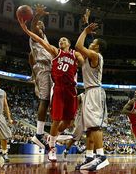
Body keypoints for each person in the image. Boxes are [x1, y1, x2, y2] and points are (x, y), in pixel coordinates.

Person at [18, 16, 84, 162]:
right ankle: (52, 147)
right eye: (60, 40)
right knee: (56, 119)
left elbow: (82, 60)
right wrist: (27, 30)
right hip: (59, 88)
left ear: (69, 43)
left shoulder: (75, 54)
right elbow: (40, 41)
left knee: (68, 122)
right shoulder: (55, 51)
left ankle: (51, 136)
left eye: (64, 40)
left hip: (72, 90)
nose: (61, 41)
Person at [74, 23, 109, 171]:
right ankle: (89, 157)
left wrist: (85, 31)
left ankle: (101, 156)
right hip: (88, 92)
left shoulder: (96, 55)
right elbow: (79, 53)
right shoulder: (88, 58)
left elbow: (78, 46)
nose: (91, 43)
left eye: (93, 43)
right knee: (88, 128)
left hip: (95, 92)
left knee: (95, 126)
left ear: (97, 47)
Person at [28, 4, 53, 151]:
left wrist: (34, 78)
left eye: (41, 23)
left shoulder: (42, 40)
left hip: (46, 68)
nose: (40, 25)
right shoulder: (36, 35)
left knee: (50, 100)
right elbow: (32, 26)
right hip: (44, 67)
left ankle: (50, 132)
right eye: (38, 24)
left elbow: (30, 57)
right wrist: (37, 16)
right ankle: (38, 134)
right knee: (44, 100)